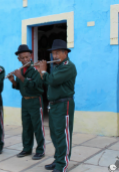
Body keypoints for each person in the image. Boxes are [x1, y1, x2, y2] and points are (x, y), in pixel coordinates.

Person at [37, 39, 77, 172]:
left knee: (63, 134)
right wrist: (40, 72)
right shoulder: (57, 66)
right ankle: (58, 158)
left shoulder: (68, 66)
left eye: (58, 53)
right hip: (54, 105)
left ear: (65, 53)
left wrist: (43, 71)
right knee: (55, 134)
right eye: (53, 53)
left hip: (64, 104)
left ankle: (62, 164)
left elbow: (53, 81)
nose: (55, 56)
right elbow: (49, 81)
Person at [8, 44, 46, 160]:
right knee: (26, 126)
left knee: (37, 126)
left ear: (30, 56)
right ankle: (27, 148)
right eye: (22, 57)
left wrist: (20, 77)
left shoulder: (35, 69)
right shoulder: (21, 70)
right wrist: (13, 81)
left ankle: (40, 149)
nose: (25, 59)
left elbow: (35, 86)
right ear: (19, 59)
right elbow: (20, 87)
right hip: (25, 101)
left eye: (27, 57)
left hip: (35, 100)